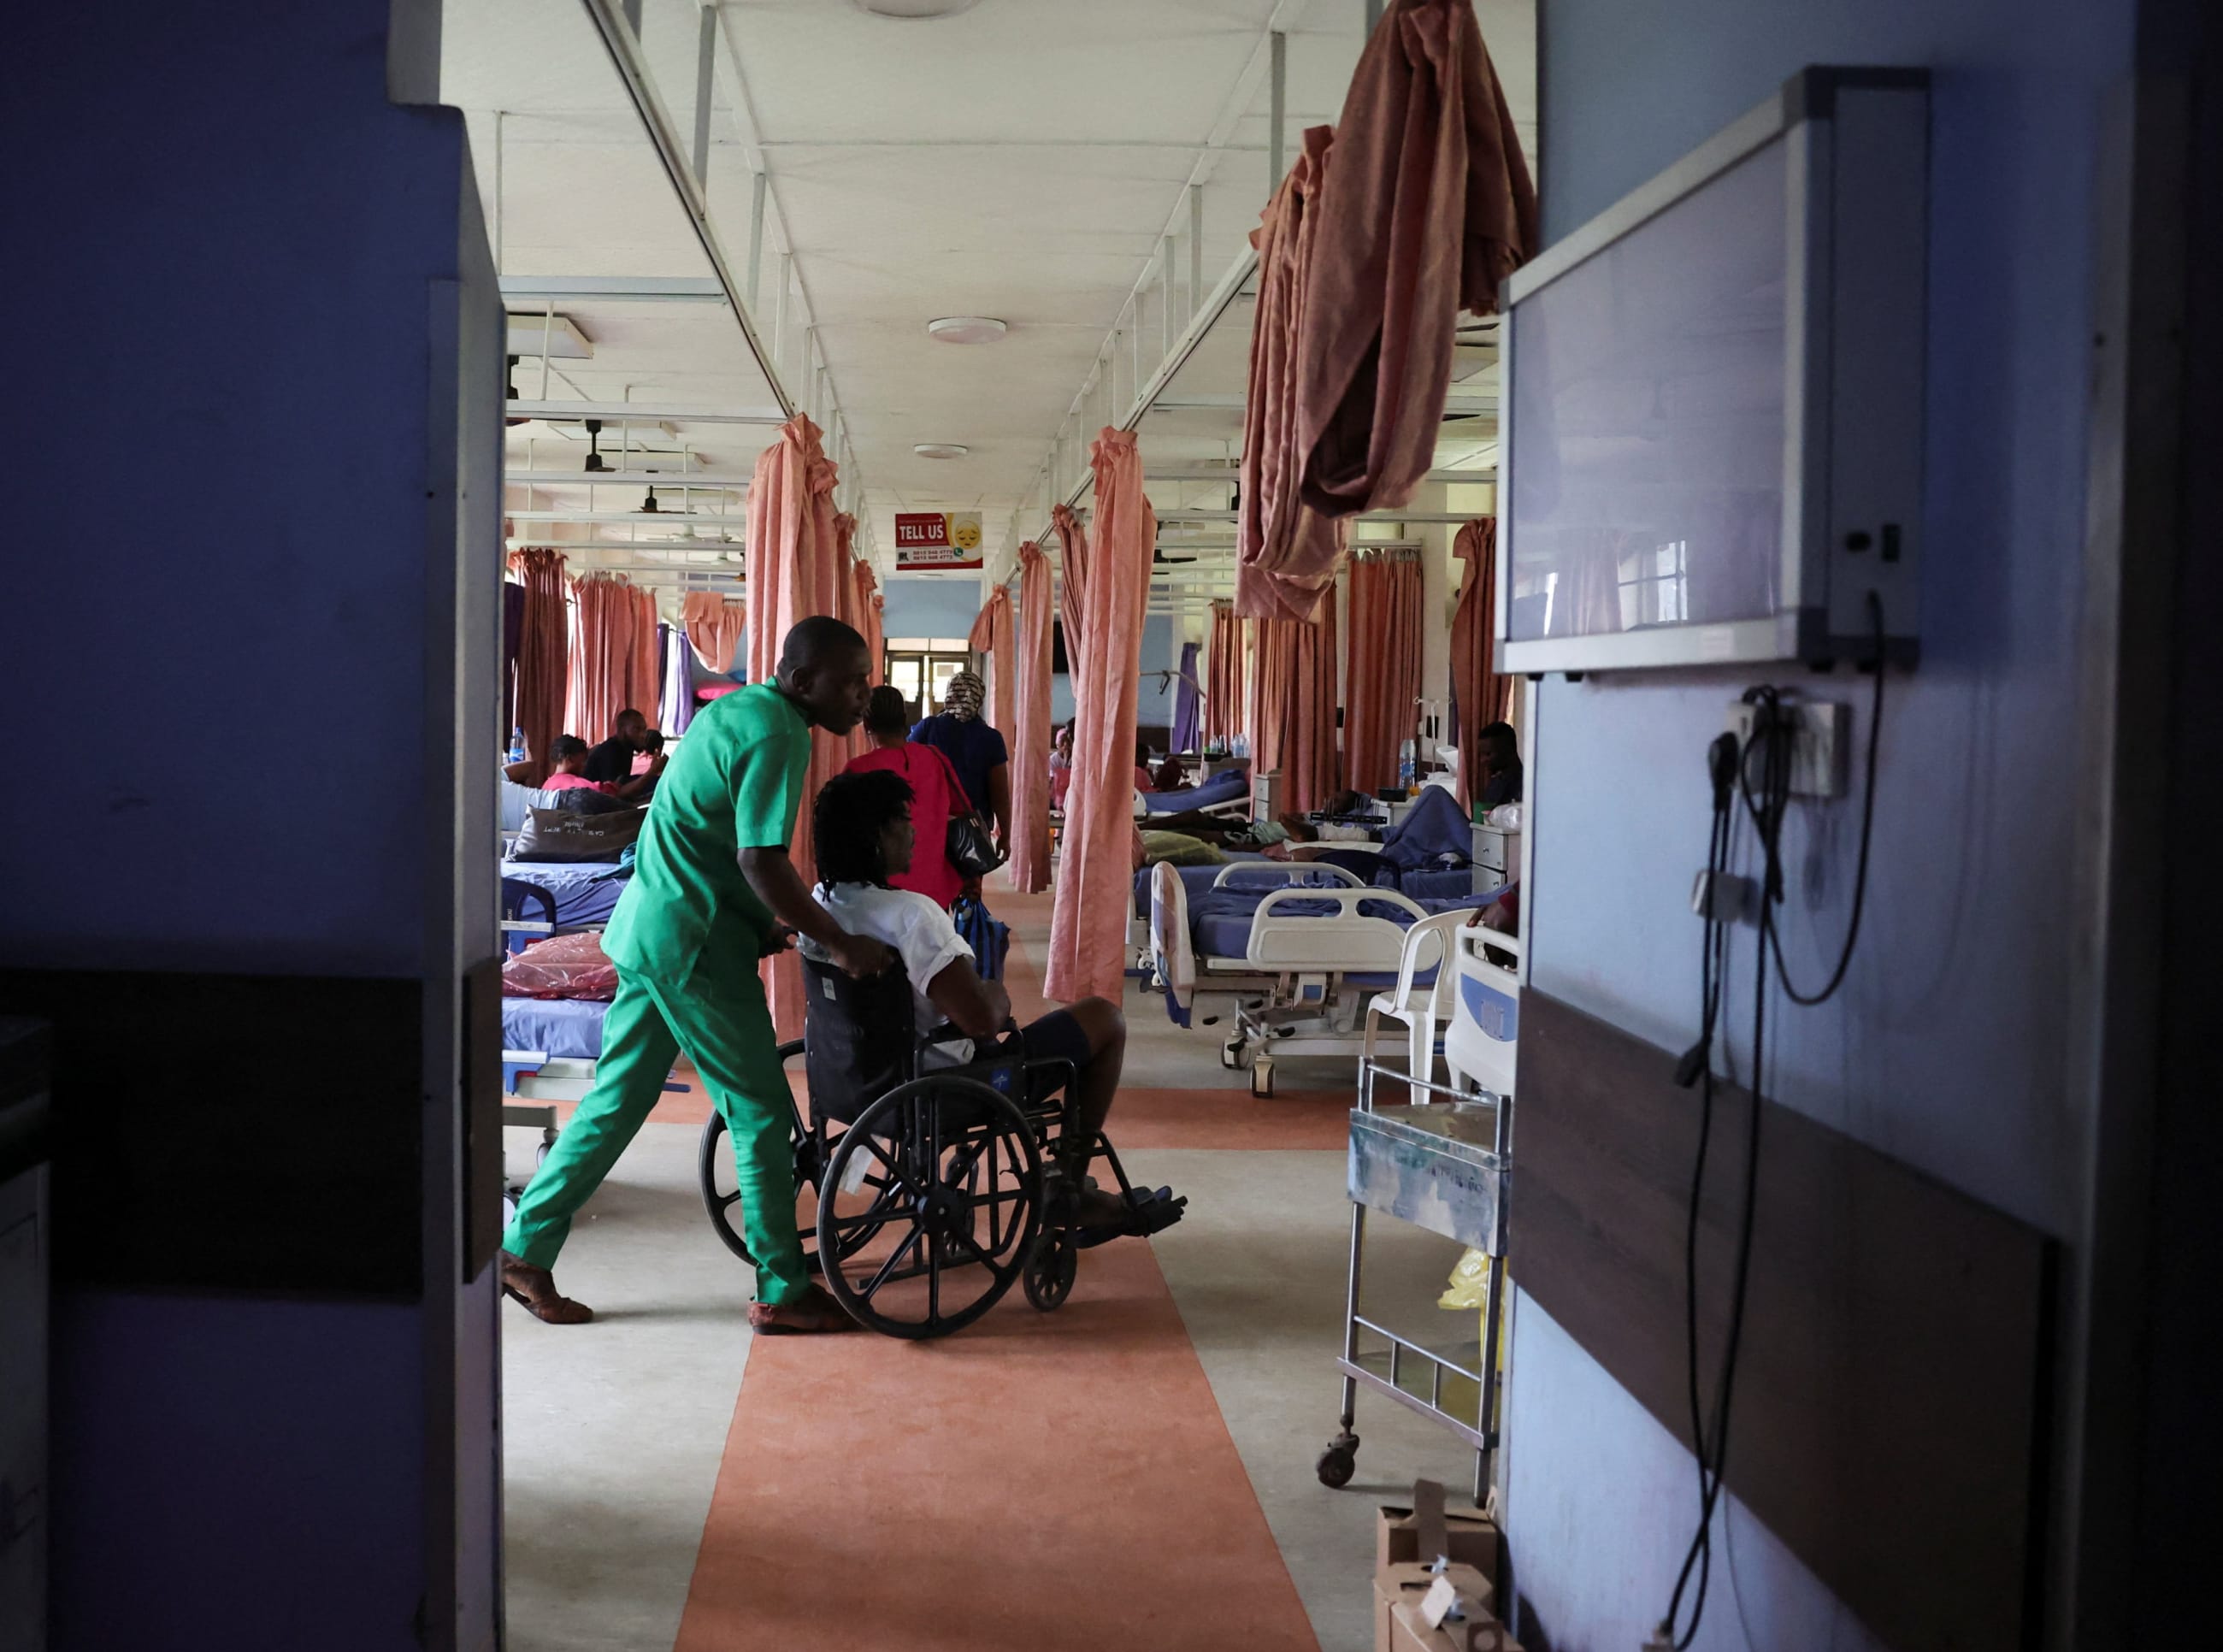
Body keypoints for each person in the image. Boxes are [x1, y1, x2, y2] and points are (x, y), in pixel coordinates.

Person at [499, 617, 892, 1335]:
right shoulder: (779, 734)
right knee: (762, 1111)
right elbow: (758, 858)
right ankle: (782, 1287)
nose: (865, 694)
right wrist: (836, 941)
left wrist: (763, 923)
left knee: (617, 1102)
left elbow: (703, 837)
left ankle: (523, 1250)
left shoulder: (741, 710)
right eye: (852, 680)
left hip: (652, 930)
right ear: (803, 681)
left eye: (868, 679)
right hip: (693, 949)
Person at [808, 768, 1174, 1237]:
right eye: (903, 819)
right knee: (1104, 1020)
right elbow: (980, 1020)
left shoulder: (824, 905)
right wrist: (997, 993)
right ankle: (1069, 1188)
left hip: (852, 1076)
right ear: (875, 836)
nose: (915, 828)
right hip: (942, 1083)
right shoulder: (910, 916)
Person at [843, 684, 969, 909]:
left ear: (866, 723)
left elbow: (844, 836)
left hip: (879, 893)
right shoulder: (935, 759)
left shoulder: (857, 770)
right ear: (904, 719)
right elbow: (962, 812)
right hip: (934, 890)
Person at [911, 670, 1010, 858]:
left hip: (932, 824)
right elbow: (1000, 795)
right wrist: (1005, 835)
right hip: (974, 829)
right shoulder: (992, 738)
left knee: (934, 882)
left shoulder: (928, 728)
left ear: (949, 694)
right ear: (979, 701)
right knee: (968, 881)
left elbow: (906, 765)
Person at [541, 734, 655, 800]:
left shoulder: (546, 785)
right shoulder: (579, 785)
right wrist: (652, 771)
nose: (586, 764)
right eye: (584, 759)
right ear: (570, 759)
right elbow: (619, 794)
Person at [584, 708, 665, 791]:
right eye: (637, 729)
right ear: (622, 730)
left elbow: (622, 782)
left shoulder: (627, 748)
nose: (643, 735)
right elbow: (613, 793)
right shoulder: (611, 750)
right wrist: (652, 771)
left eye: (644, 729)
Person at [1476, 721, 1523, 809]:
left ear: (1508, 750)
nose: (1482, 760)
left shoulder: (1524, 786)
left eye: (1488, 754)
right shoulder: (1497, 781)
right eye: (1481, 755)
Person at [1048, 723, 1075, 810]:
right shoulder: (1053, 760)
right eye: (1062, 743)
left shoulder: (1075, 758)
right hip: (1057, 795)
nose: (1065, 746)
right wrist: (1066, 763)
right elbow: (1053, 781)